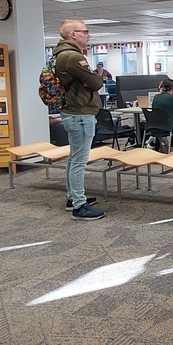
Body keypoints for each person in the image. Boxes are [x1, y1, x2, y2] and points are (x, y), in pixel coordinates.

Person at [54, 19, 105, 220]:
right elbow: (96, 83)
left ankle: (72, 197)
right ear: (73, 35)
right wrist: (97, 75)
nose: (89, 34)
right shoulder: (72, 56)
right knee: (79, 160)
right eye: (85, 31)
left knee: (74, 157)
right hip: (80, 113)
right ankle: (79, 205)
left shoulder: (61, 54)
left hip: (74, 111)